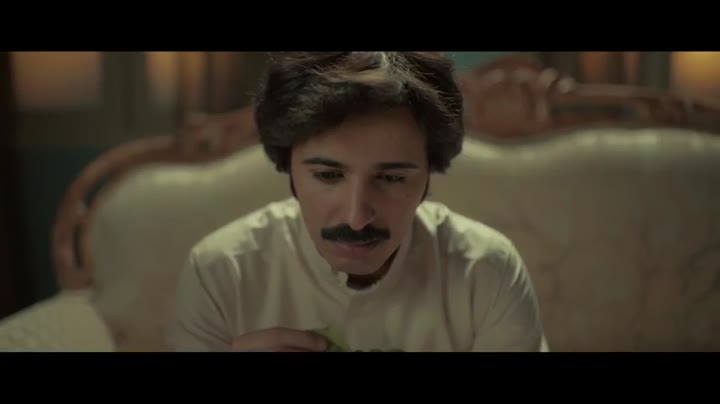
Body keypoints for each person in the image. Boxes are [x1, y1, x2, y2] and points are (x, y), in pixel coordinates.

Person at [166, 52, 548, 352]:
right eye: (328, 175)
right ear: (288, 168)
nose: (356, 217)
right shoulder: (222, 272)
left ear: (429, 175)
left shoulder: (485, 271)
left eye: (392, 178)